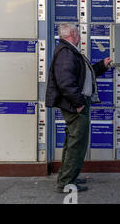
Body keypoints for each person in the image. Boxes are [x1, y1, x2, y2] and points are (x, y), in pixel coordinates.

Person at [45, 23, 112, 193]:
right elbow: (65, 83)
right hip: (75, 106)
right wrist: (79, 103)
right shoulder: (66, 52)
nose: (80, 36)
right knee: (77, 144)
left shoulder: (69, 50)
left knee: (73, 142)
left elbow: (84, 75)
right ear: (72, 34)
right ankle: (66, 182)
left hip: (76, 103)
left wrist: (102, 65)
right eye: (78, 33)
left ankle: (68, 178)